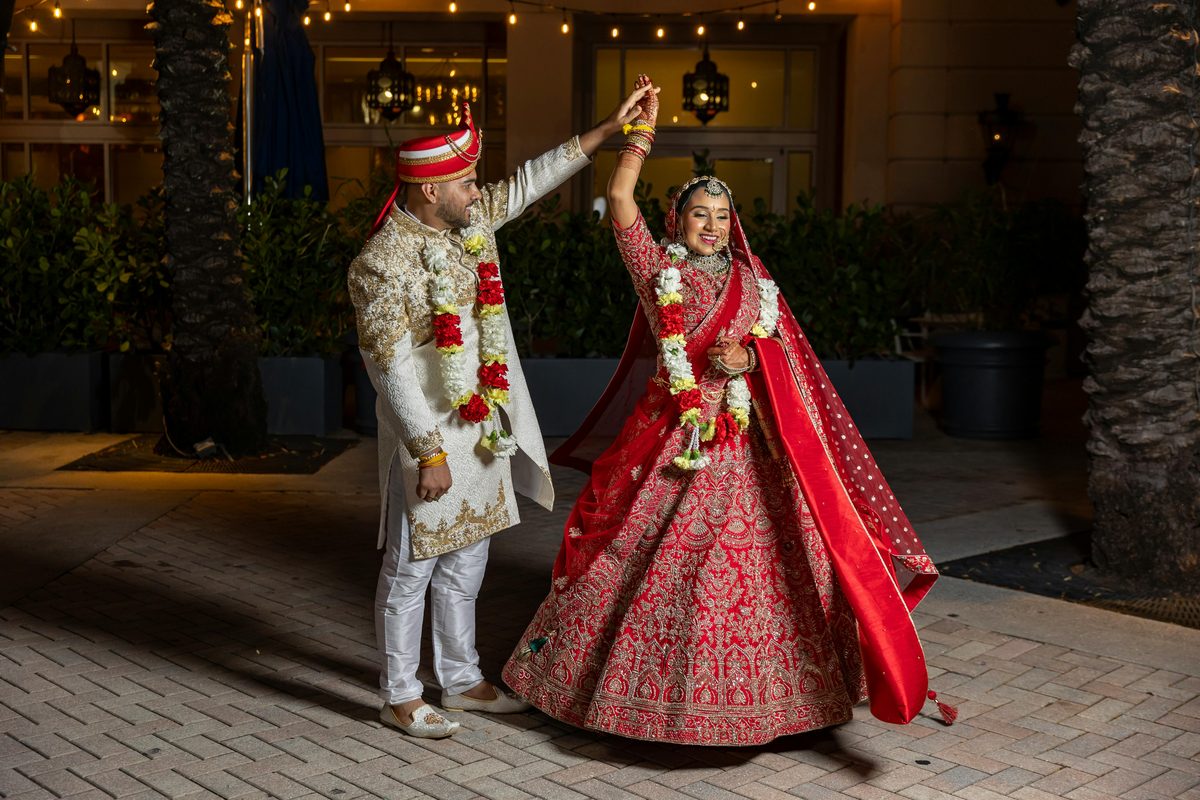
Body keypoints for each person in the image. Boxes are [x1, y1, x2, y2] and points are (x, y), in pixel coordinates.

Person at [502, 75, 951, 746]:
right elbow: (619, 197)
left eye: (720, 216)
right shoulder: (657, 270)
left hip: (749, 439)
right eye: (698, 215)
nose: (710, 227)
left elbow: (787, 357)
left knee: (761, 566)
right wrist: (641, 134)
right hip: (676, 435)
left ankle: (776, 700)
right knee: (647, 556)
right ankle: (623, 694)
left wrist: (753, 358)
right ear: (677, 221)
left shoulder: (755, 282)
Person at [348, 85, 658, 739]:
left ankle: (460, 680)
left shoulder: (470, 223)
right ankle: (399, 694)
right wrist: (427, 450)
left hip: (483, 424)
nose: (477, 191)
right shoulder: (380, 263)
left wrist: (606, 130)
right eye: (466, 182)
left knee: (468, 561)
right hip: (429, 435)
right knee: (412, 566)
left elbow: (529, 183)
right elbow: (389, 367)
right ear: (429, 189)